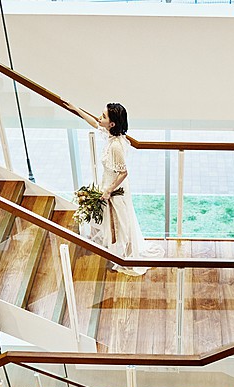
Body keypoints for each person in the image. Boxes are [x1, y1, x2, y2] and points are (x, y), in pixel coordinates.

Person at [66, 101, 164, 275]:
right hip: (107, 182)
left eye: (103, 116)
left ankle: (124, 254)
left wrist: (109, 190)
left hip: (115, 189)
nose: (100, 117)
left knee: (121, 222)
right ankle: (116, 250)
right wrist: (76, 109)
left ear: (112, 124)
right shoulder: (110, 134)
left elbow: (123, 173)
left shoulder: (116, 146)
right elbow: (94, 123)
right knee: (113, 220)